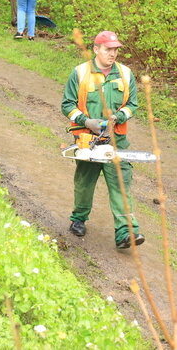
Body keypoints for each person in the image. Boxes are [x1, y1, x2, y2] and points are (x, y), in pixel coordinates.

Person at [61, 31, 144, 249]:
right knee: (85, 182)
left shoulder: (125, 74)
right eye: (108, 49)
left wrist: (119, 116)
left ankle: (127, 232)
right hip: (88, 139)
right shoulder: (80, 73)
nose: (113, 53)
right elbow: (67, 105)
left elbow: (132, 104)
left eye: (116, 49)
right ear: (96, 49)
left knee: (120, 183)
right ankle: (78, 218)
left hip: (116, 140)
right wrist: (85, 121)